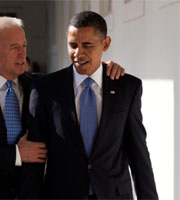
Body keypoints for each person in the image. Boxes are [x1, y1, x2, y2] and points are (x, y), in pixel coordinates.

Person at [0, 16, 125, 200]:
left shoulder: (41, 85)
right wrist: (17, 154)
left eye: (24, 45)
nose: (23, 54)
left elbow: (78, 74)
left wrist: (102, 69)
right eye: (14, 47)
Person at [27, 11, 158, 199]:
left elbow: (138, 154)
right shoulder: (45, 88)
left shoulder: (127, 87)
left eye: (87, 45)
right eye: (72, 45)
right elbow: (35, 161)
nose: (78, 53)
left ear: (105, 44)